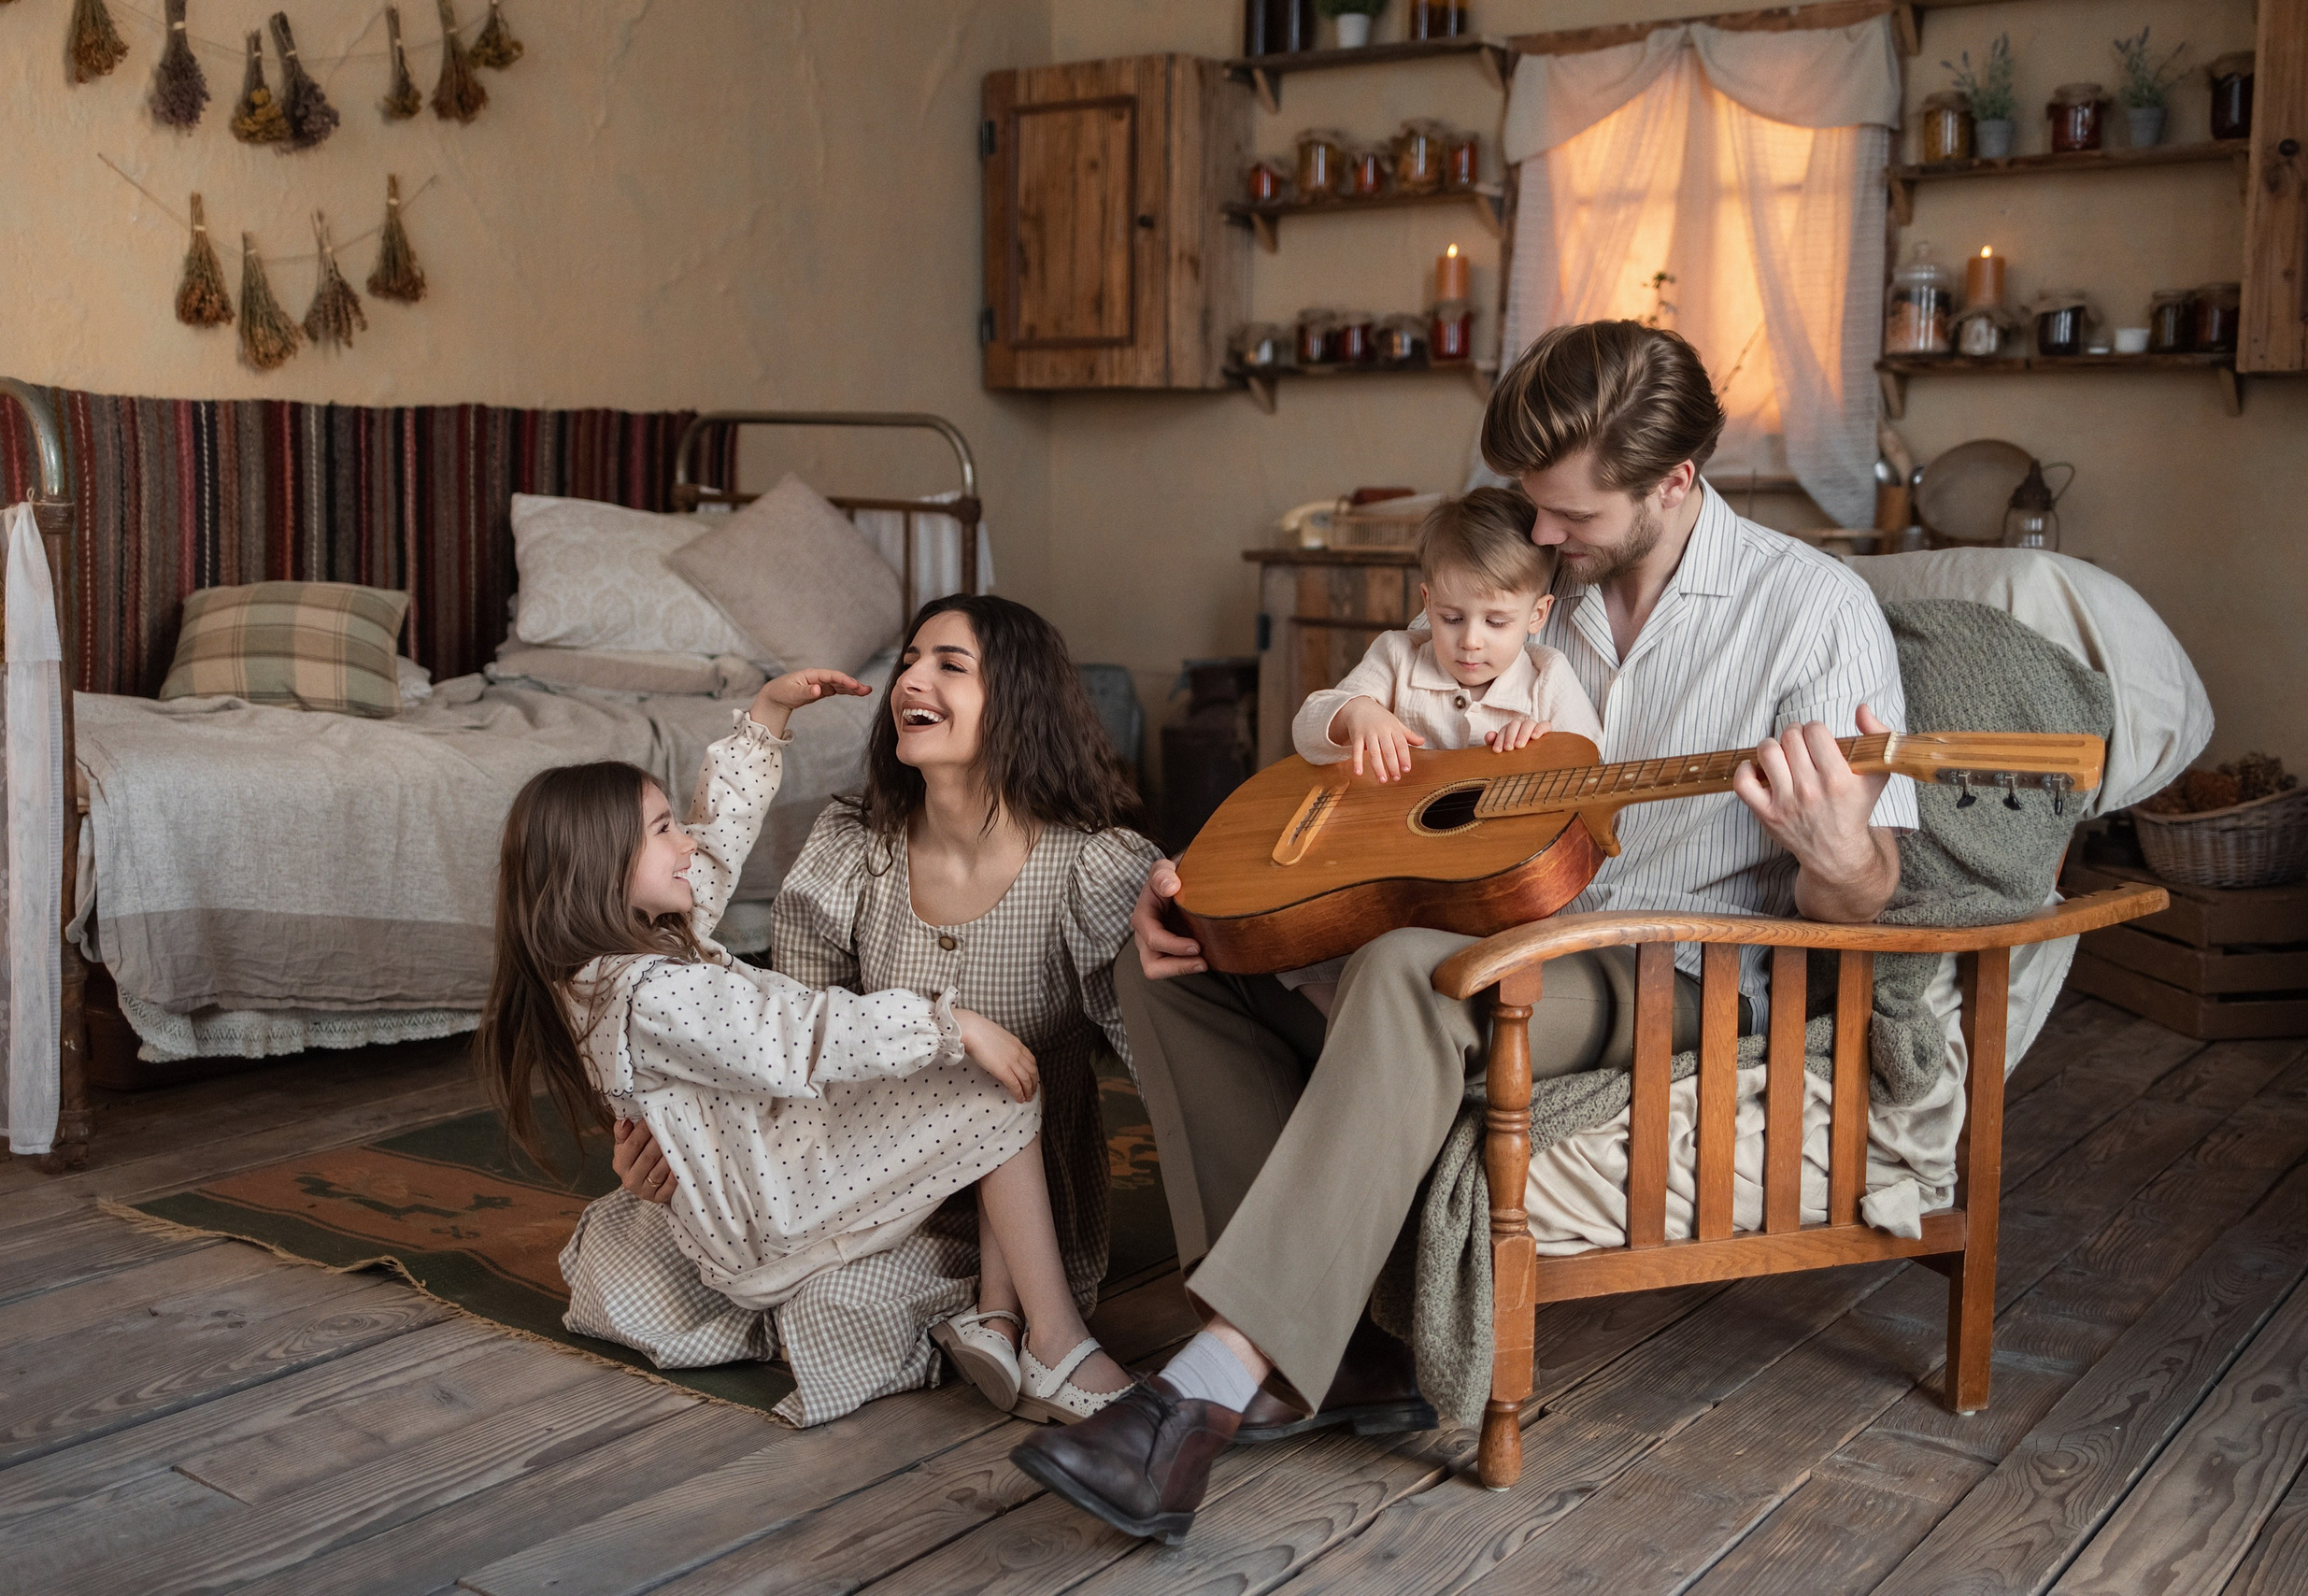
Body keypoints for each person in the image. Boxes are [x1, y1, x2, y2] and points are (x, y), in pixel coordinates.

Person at [1011, 320, 1918, 1546]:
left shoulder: (1814, 613)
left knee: (1409, 967)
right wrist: (1237, 880)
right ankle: (1340, 1359)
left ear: (1676, 483)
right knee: (1169, 959)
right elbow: (1376, 764)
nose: (1544, 537)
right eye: (1534, 510)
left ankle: (1210, 1387)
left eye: (1572, 517)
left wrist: (1841, 850)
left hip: (1674, 973)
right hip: (1475, 921)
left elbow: (1865, 904)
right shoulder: (1521, 594)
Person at [483, 663, 1127, 1431]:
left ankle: (992, 1319)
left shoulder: (615, 965)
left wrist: (766, 718)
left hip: (754, 1192)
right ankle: (1054, 1341)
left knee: (971, 1092)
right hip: (778, 1204)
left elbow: (713, 849)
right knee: (997, 1087)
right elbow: (799, 1032)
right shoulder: (657, 994)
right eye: (662, 831)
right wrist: (948, 1024)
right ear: (599, 871)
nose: (686, 842)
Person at [1276, 484, 1603, 1015]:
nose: (1471, 640)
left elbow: (1592, 775)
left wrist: (1541, 752)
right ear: (1427, 603)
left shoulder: (1547, 679)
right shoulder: (1398, 656)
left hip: (1492, 894)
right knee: (1297, 945)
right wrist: (1356, 713)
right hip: (1388, 876)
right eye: (1452, 618)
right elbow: (1309, 725)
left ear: (1537, 615)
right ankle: (1348, 1022)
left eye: (1497, 622)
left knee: (1462, 962)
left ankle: (1390, 1024)